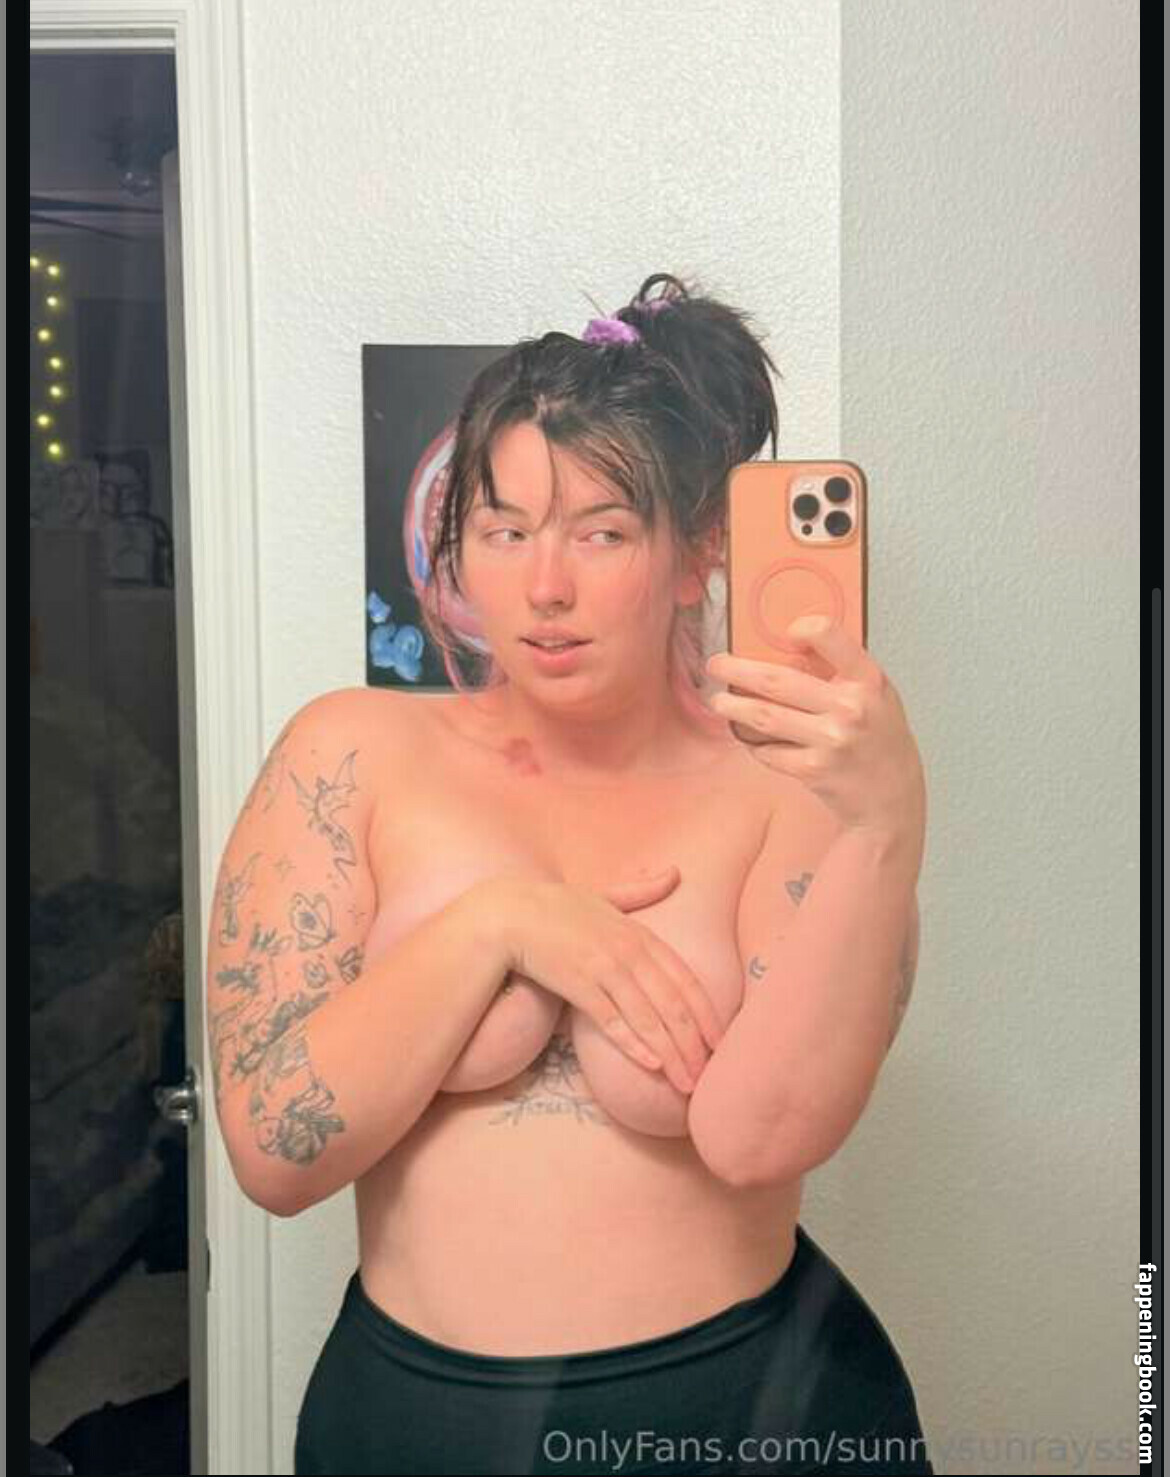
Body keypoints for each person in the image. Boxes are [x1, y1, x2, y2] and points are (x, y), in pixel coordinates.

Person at [207, 272, 933, 1475]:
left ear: (698, 552)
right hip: (413, 1421)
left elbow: (762, 1136)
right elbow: (275, 1153)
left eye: (602, 533)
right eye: (504, 532)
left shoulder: (785, 784)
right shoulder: (350, 754)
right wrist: (502, 924)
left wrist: (888, 828)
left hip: (747, 1410)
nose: (544, 588)